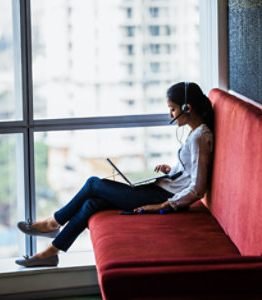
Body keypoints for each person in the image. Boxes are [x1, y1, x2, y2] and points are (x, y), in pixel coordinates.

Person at [15, 82, 214, 267]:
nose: (170, 115)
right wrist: (173, 171)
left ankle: (53, 223)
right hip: (162, 188)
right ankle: (52, 252)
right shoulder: (195, 133)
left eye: (173, 109)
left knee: (93, 184)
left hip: (164, 197)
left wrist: (163, 206)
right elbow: (190, 172)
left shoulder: (199, 137)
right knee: (92, 203)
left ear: (187, 108)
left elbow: (197, 188)